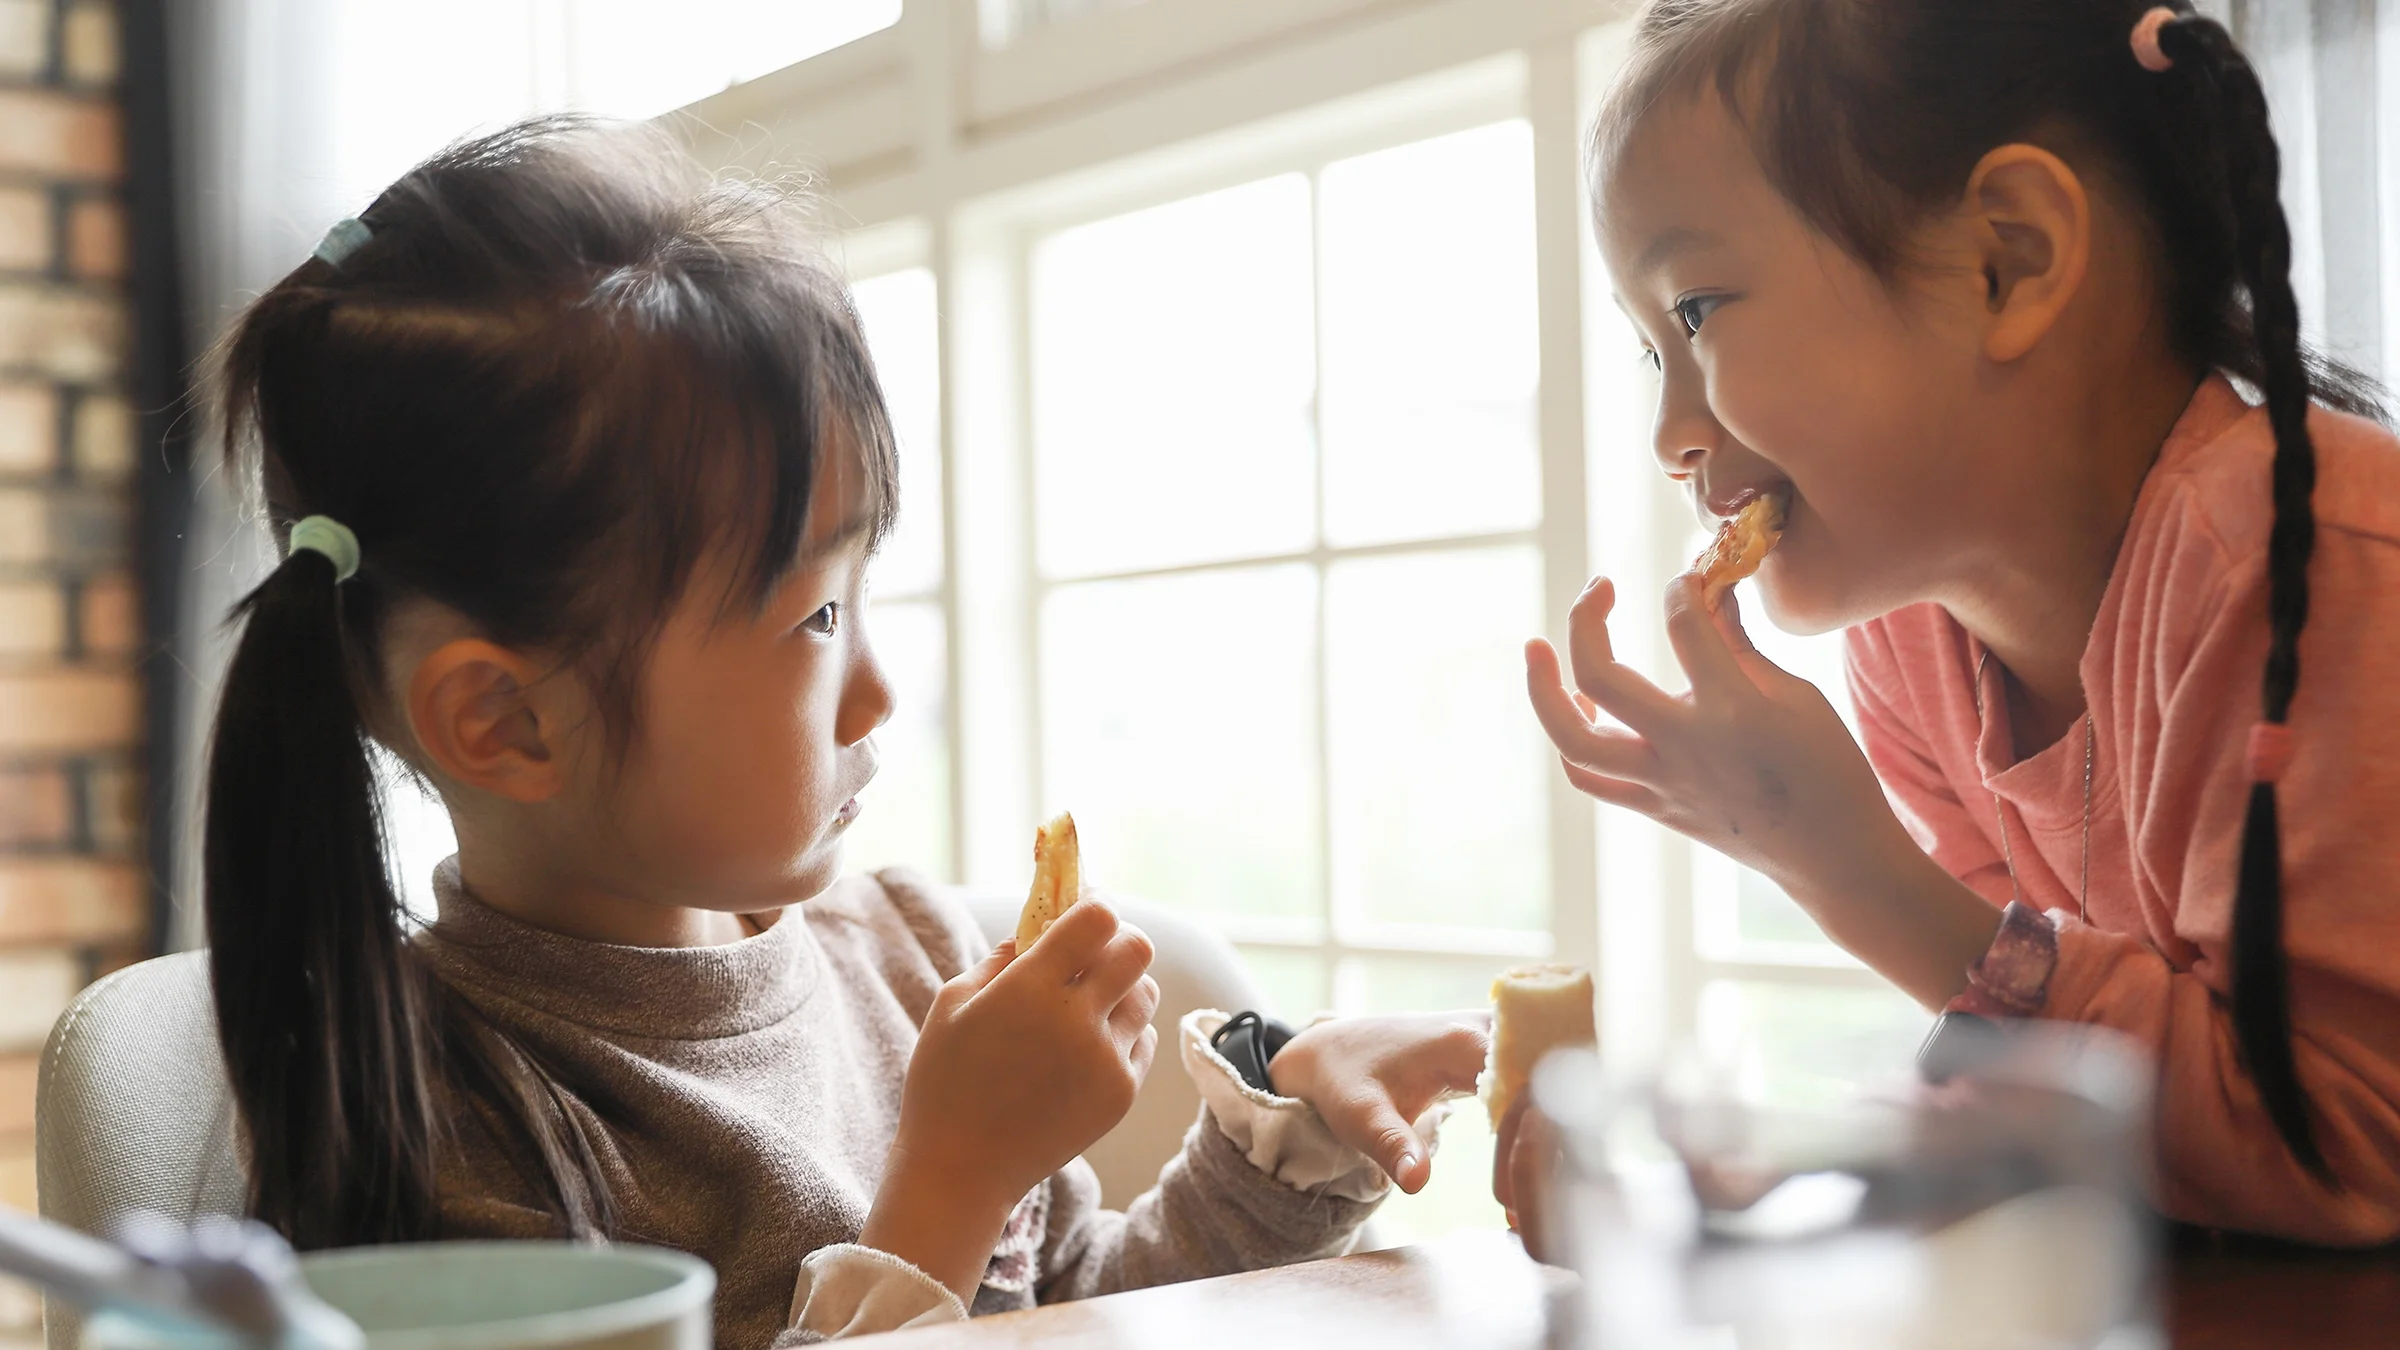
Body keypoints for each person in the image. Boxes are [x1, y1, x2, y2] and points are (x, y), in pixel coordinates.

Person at [200, 117, 1488, 1349]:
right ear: (509, 721)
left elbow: (1087, 1311)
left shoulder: (916, 959)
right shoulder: (449, 1136)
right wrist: (952, 1184)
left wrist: (1289, 1132)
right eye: (817, 615)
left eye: (865, 589)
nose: (878, 692)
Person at [1516, 0, 2400, 1245]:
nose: (1671, 437)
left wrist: (1844, 865)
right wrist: (1831, 1168)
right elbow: (2084, 1082)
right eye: (1651, 351)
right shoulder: (1915, 654)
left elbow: (2345, 1149)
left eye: (1700, 312)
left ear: (2009, 260)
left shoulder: (2297, 559)